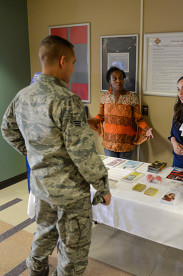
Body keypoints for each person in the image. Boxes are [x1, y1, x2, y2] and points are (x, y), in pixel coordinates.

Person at [1, 35, 111, 275]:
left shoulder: (23, 95)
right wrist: (102, 185)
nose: (73, 67)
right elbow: (82, 153)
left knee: (44, 231)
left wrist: (33, 153)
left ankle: (36, 270)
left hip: (41, 186)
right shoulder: (67, 100)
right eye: (73, 62)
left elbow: (7, 129)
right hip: (70, 193)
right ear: (62, 61)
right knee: (73, 252)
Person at [88, 66, 153, 160]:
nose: (118, 81)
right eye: (115, 79)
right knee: (112, 171)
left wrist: (147, 129)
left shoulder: (131, 97)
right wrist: (89, 121)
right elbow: (100, 116)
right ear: (110, 82)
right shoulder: (105, 97)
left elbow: (138, 119)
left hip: (126, 143)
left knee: (125, 171)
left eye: (121, 78)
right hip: (109, 143)